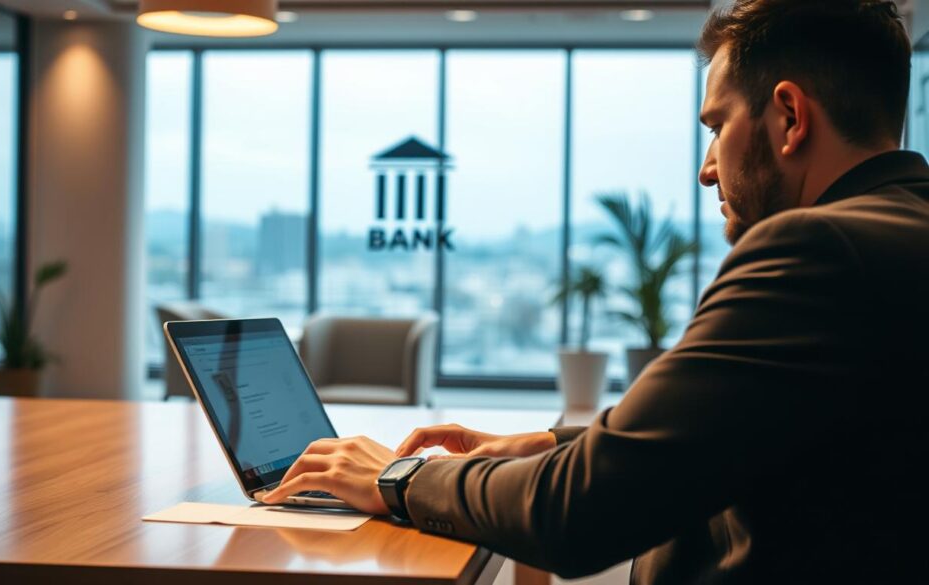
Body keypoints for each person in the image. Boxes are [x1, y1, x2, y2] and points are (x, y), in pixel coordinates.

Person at [262, 0, 929, 582]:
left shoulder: (815, 253)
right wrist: (559, 443)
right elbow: (770, 426)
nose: (705, 169)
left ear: (788, 115)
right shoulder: (898, 238)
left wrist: (396, 477)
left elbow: (574, 517)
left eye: (716, 126)